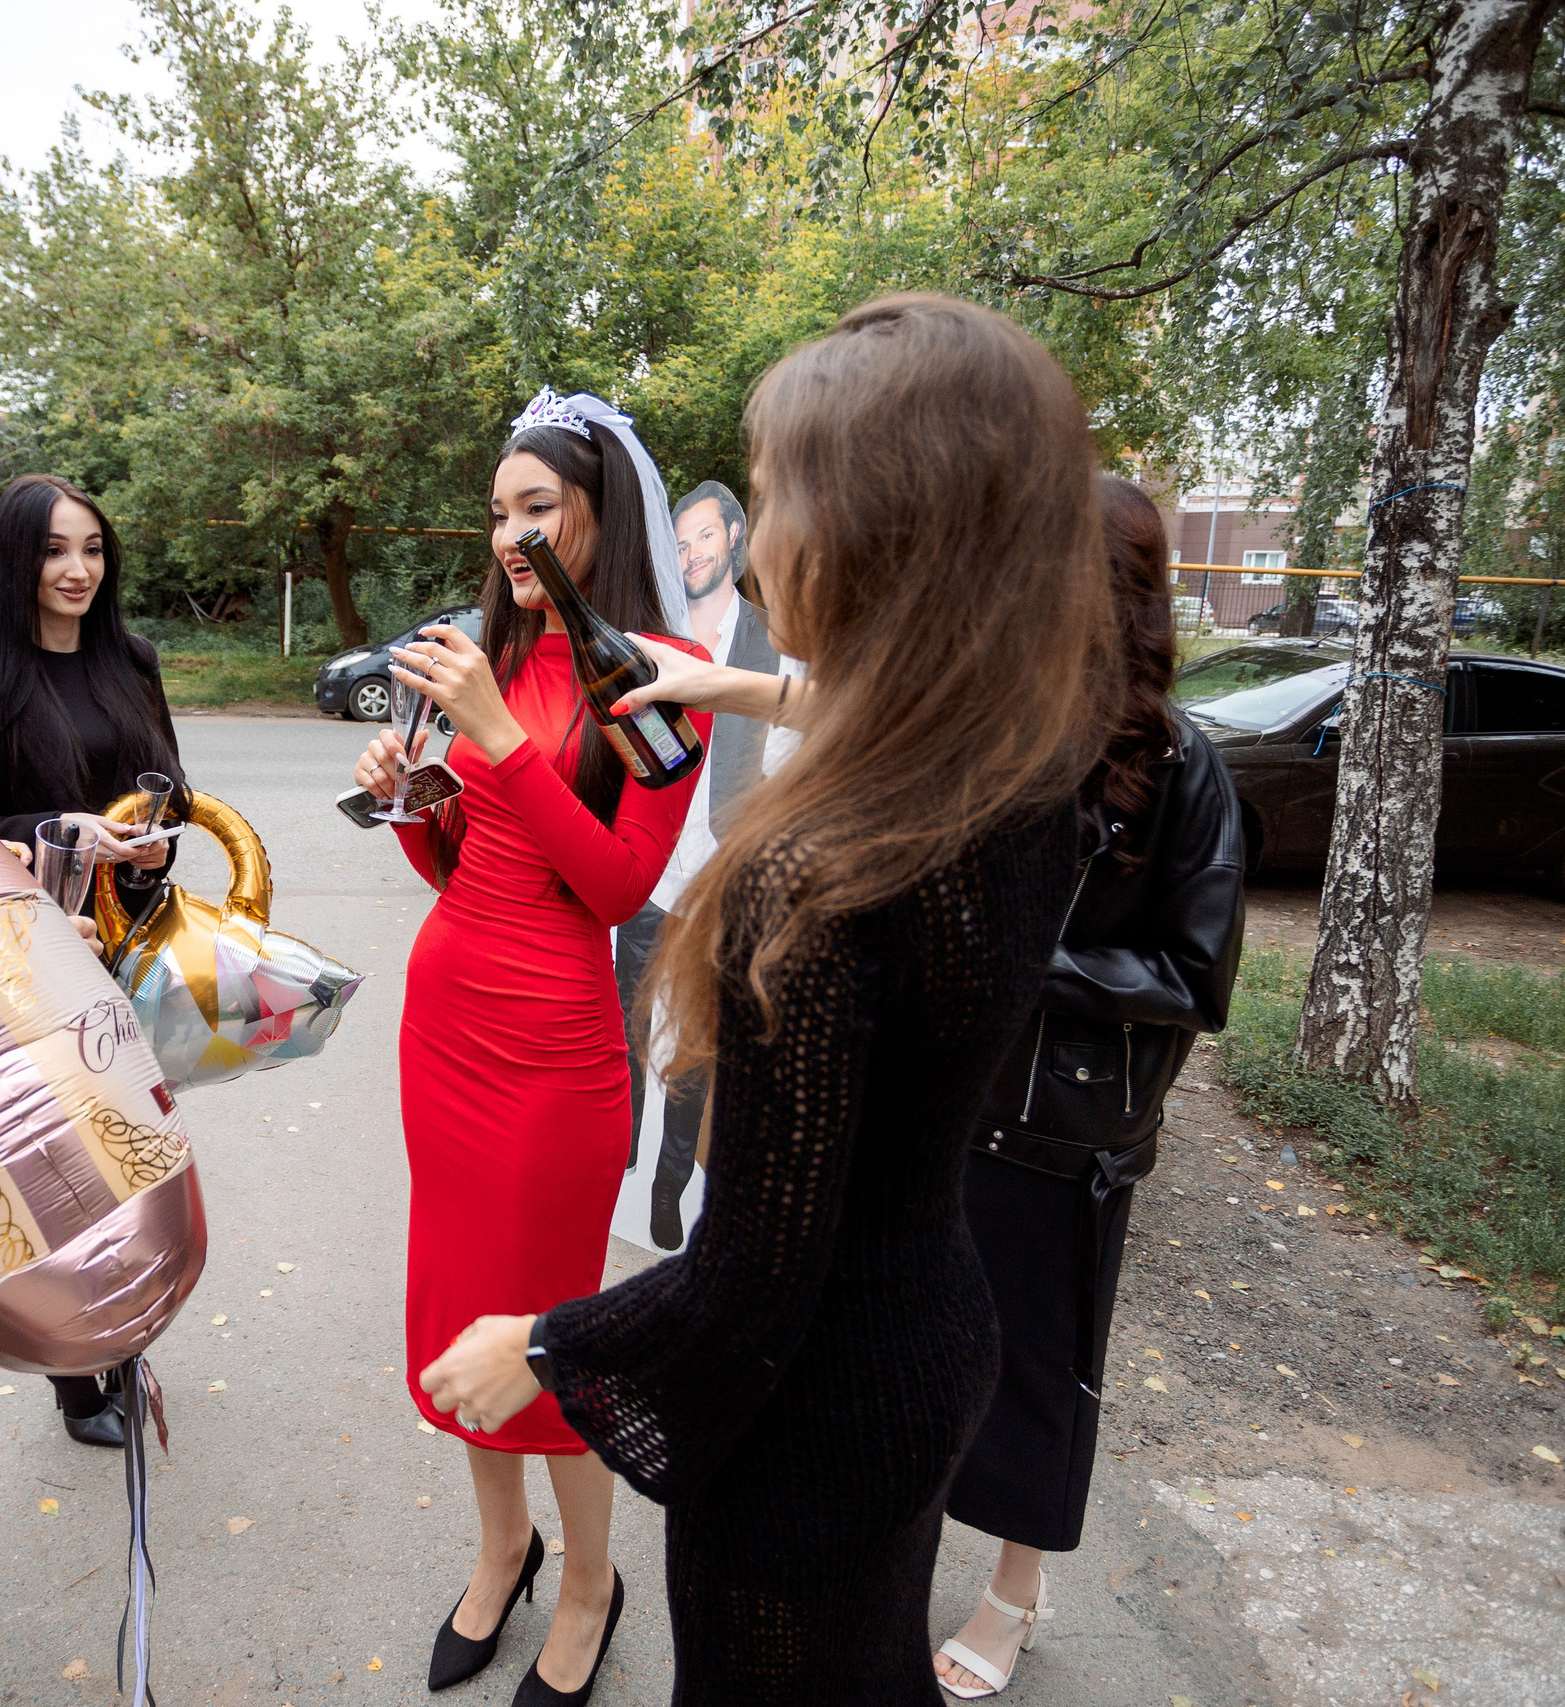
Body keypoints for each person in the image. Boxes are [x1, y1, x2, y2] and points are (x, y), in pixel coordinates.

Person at [415, 295, 1114, 1705]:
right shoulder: (1028, 773)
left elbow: (755, 1277)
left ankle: (581, 1585)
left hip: (820, 1400)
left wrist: (547, 1339)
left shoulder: (815, 870)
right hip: (932, 1333)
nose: (751, 538)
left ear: (876, 527)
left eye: (783, 493)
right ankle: (513, 1554)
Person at [354, 387, 710, 1705]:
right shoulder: (497, 659)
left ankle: (588, 1577)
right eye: (499, 509)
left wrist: (501, 741)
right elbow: (469, 858)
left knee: (548, 1335)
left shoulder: (656, 673)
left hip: (556, 1050)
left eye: (536, 507)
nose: (509, 533)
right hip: (445, 1021)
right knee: (457, 1315)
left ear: (598, 514)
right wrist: (409, 799)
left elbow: (617, 885)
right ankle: (503, 1541)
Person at [933, 477, 1245, 1699]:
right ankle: (906, 1537)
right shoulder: (988, 724)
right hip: (947, 1100)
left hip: (1062, 1129)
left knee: (1038, 1367)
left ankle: (1014, 1592)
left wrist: (1023, 953)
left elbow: (1194, 974)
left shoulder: (1183, 764)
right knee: (926, 1346)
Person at [0, 470, 181, 1446]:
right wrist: (59, 829)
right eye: (52, 550)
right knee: (61, 1173)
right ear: (16, 562)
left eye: (91, 548)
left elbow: (171, 789)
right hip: (31, 955)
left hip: (129, 944)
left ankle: (124, 1335)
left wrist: (155, 834)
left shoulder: (134, 658)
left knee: (134, 1161)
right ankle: (79, 1378)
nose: (77, 569)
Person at [613, 478, 780, 1249]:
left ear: (736, 538)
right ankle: (617, 1170)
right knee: (629, 1029)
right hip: (649, 872)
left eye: (704, 537)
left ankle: (669, 1191)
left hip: (722, 882)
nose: (690, 554)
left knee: (696, 1047)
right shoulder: (650, 636)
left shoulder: (773, 643)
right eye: (678, 542)